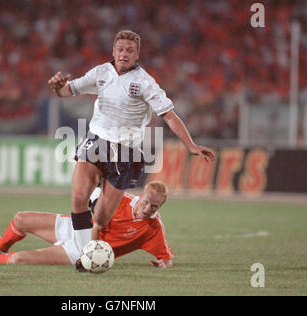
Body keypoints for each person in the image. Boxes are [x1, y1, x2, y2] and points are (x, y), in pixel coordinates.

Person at [47, 30, 215, 267]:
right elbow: (67, 91)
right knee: (78, 198)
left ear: (137, 54)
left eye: (129, 50)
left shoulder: (145, 82)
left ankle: (87, 246)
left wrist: (191, 145)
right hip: (96, 141)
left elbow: (169, 115)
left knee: (102, 219)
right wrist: (57, 87)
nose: (124, 54)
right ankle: (85, 256)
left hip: (126, 152)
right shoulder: (100, 72)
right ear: (113, 51)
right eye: (120, 49)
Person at [0, 181, 173, 269]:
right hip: (75, 228)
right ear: (141, 195)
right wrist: (95, 203)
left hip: (81, 250)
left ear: (160, 206)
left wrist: (163, 264)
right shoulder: (120, 199)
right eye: (146, 202)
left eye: (154, 206)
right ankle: (0, 245)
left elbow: (166, 258)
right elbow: (94, 193)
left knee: (19, 260)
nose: (148, 208)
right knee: (20, 219)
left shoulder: (153, 228)